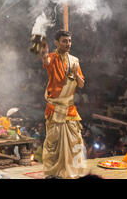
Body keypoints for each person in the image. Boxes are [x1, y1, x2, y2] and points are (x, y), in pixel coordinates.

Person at [39, 29, 86, 179]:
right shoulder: (52, 58)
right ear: (56, 42)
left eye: (70, 41)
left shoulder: (75, 61)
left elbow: (81, 85)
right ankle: (52, 174)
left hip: (70, 109)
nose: (68, 44)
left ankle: (73, 172)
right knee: (53, 144)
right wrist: (40, 46)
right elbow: (45, 59)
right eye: (65, 41)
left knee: (75, 141)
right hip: (55, 108)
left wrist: (76, 73)